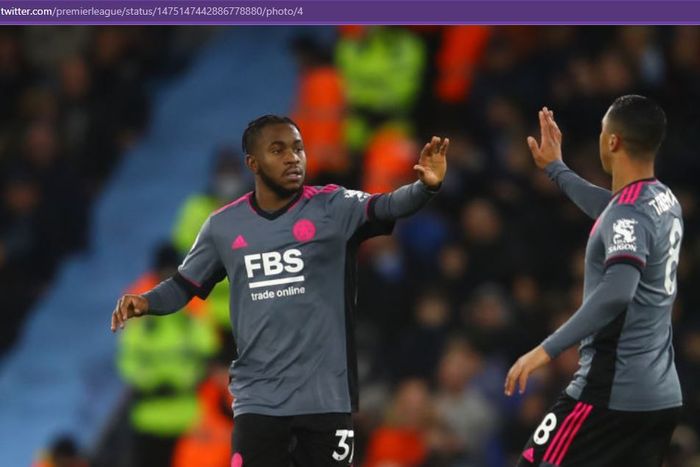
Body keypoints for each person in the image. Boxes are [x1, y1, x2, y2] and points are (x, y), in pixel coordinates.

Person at [111, 114, 448, 467]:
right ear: (252, 164)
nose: (292, 157)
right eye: (278, 149)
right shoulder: (224, 226)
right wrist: (146, 302)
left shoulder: (334, 207)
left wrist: (424, 187)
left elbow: (386, 205)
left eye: (298, 148)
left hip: (326, 400)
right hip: (259, 403)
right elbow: (184, 285)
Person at [505, 95, 683, 466]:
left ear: (613, 141)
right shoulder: (662, 199)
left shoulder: (628, 215)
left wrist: (545, 350)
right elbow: (612, 212)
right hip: (660, 398)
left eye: (604, 132)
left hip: (609, 395)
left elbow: (617, 292)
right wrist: (556, 169)